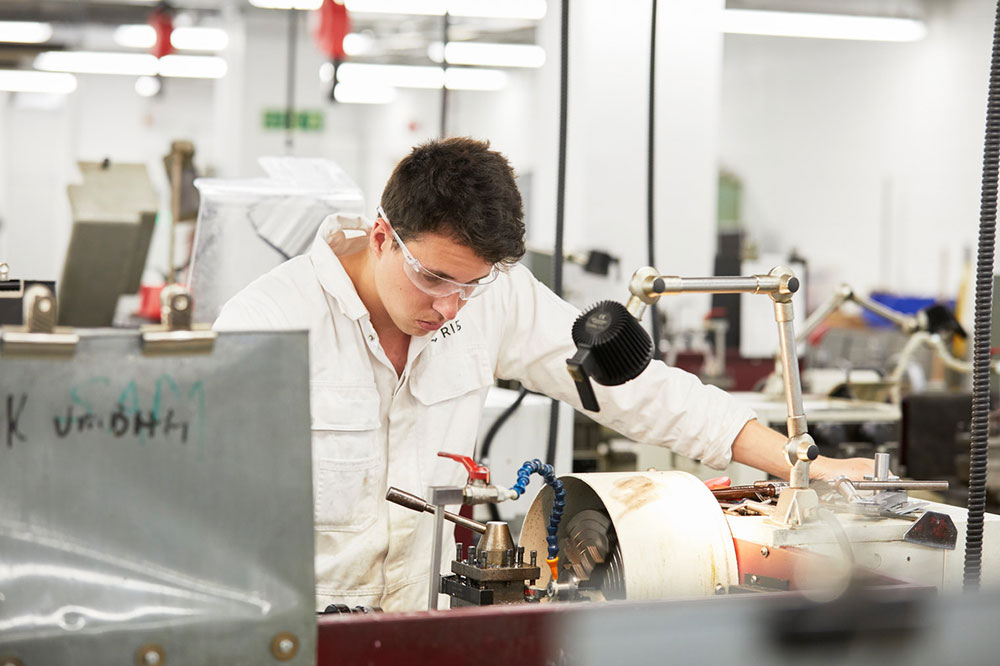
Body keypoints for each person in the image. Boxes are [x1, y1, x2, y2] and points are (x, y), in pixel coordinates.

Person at [214, 137, 873, 612]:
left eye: (471, 286)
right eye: (435, 278)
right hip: (293, 640)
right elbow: (209, 518)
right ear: (382, 236)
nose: (450, 306)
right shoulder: (266, 323)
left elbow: (636, 391)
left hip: (424, 631)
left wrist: (797, 464)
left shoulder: (492, 297)